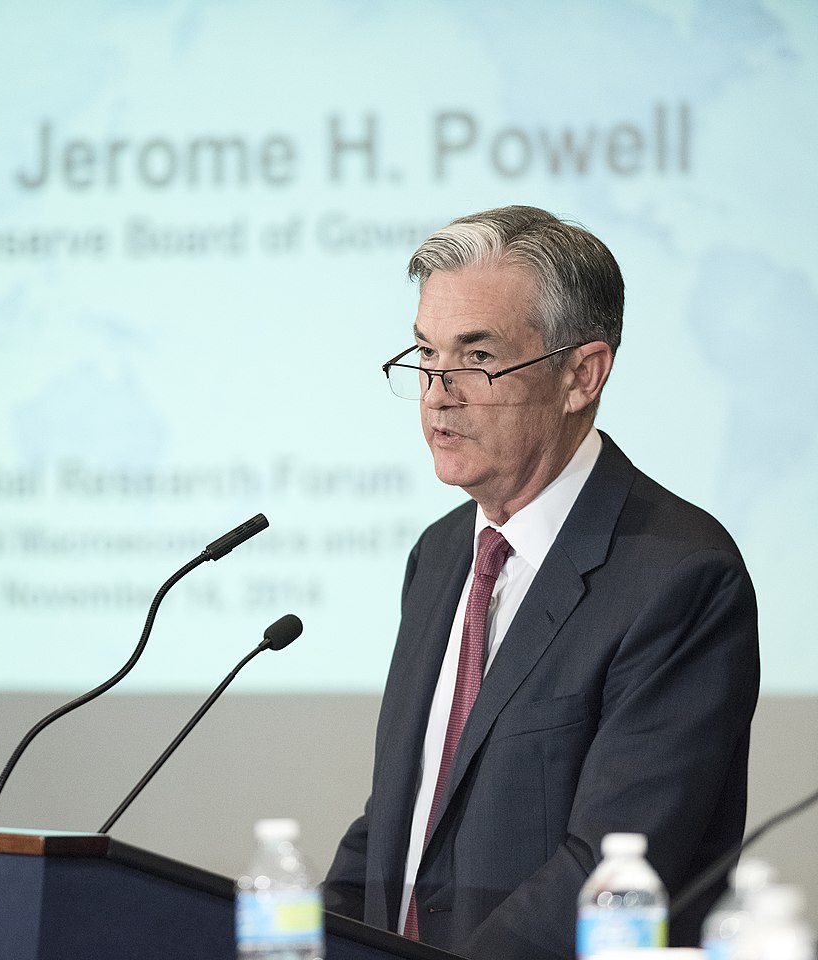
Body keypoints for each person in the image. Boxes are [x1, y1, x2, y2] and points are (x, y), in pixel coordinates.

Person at [323, 205, 759, 960]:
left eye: (478, 356)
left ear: (580, 376)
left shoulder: (680, 577)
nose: (437, 391)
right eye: (426, 353)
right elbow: (401, 821)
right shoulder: (439, 556)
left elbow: (612, 872)